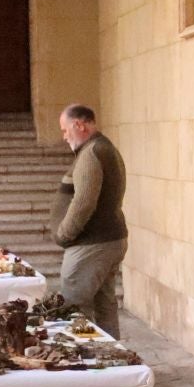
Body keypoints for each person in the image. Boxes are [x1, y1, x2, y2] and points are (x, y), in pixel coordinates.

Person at [50, 103, 129, 336]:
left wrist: (64, 234)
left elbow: (83, 202)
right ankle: (112, 354)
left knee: (73, 307)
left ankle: (84, 352)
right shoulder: (105, 147)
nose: (64, 136)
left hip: (92, 244)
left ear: (79, 125)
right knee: (105, 304)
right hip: (109, 239)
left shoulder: (92, 152)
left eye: (65, 130)